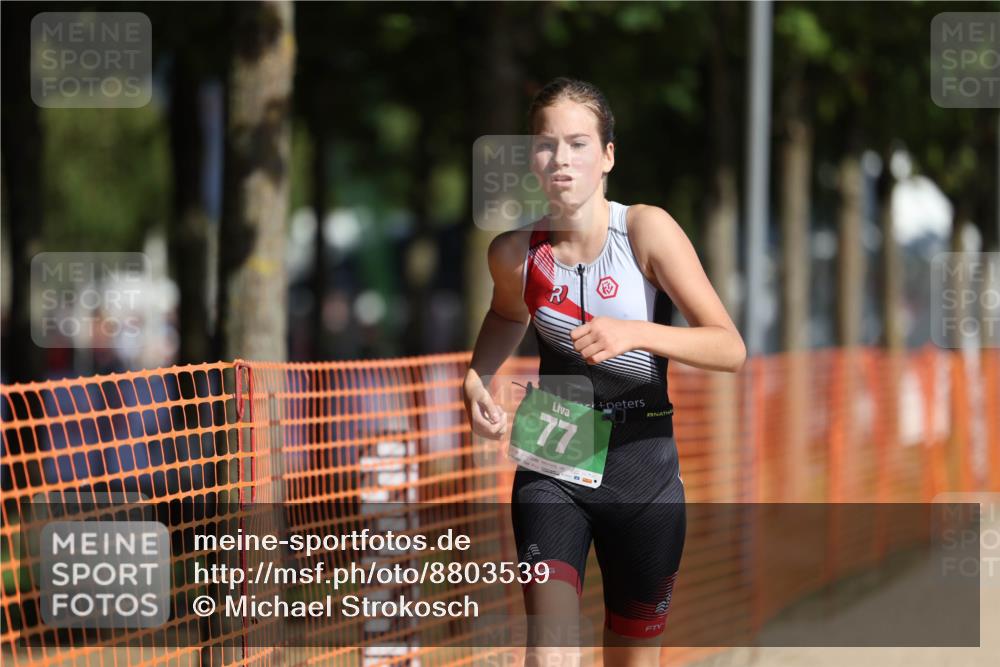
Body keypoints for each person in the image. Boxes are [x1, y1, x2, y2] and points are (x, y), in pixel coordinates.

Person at [463, 77, 746, 667]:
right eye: (545, 144)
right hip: (556, 448)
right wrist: (475, 375)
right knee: (551, 651)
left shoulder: (646, 230)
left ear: (608, 155)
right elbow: (503, 313)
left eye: (578, 143)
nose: (561, 159)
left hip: (644, 467)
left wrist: (636, 332)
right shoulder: (515, 252)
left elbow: (729, 349)